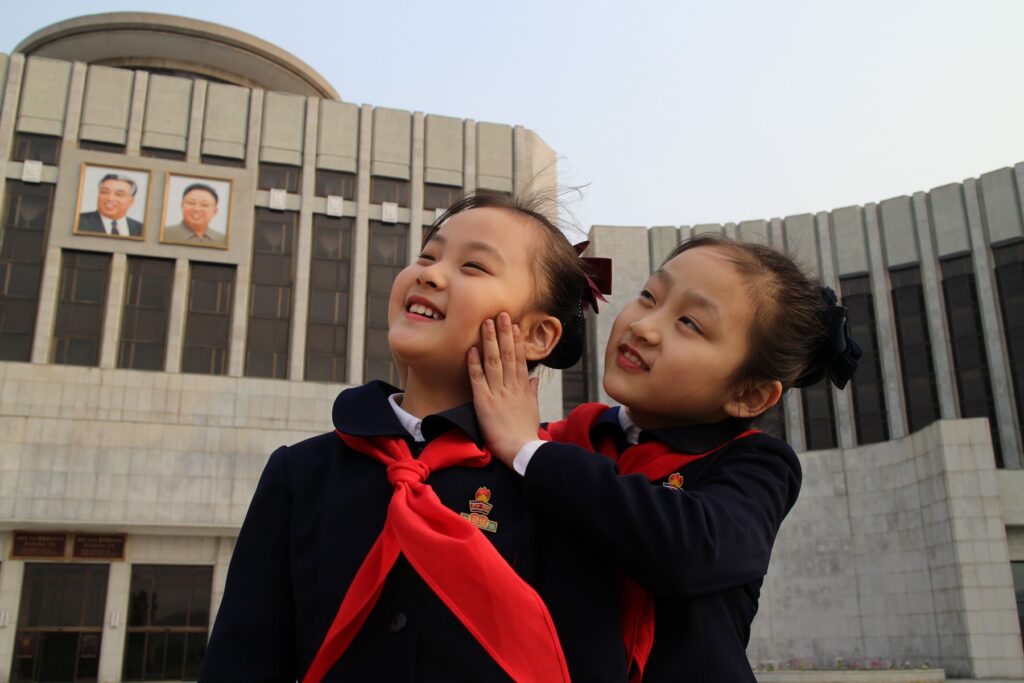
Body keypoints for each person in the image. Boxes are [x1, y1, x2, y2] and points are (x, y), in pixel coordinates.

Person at [200, 191, 628, 682]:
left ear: (537, 336)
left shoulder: (561, 485)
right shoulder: (301, 473)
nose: (429, 272)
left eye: (473, 267)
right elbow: (241, 660)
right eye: (428, 254)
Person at [469, 233, 861, 683]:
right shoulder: (566, 440)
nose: (645, 326)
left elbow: (690, 549)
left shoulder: (756, 464)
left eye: (690, 323)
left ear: (749, 395)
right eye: (649, 296)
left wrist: (529, 451)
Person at [77, 173, 143, 237]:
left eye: (119, 194)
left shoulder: (141, 229)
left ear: (131, 201)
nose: (110, 198)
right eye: (104, 192)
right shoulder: (78, 221)